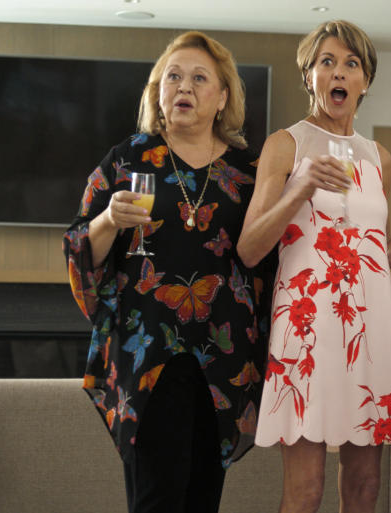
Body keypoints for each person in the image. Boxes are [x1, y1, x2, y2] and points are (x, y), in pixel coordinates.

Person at [236, 20, 391, 513]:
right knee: (306, 491)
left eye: (351, 63)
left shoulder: (379, 159)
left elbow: (375, 248)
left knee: (366, 483)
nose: (339, 72)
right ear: (309, 76)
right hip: (306, 332)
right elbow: (249, 247)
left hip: (365, 335)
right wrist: (302, 185)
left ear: (365, 80)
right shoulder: (286, 145)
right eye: (326, 62)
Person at [63, 31, 273, 513]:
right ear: (157, 92)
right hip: (148, 355)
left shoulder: (249, 170)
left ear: (222, 97)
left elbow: (273, 255)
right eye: (173, 76)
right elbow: (78, 246)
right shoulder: (127, 158)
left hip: (224, 357)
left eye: (200, 78)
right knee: (156, 500)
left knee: (202, 501)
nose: (184, 86)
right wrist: (109, 220)